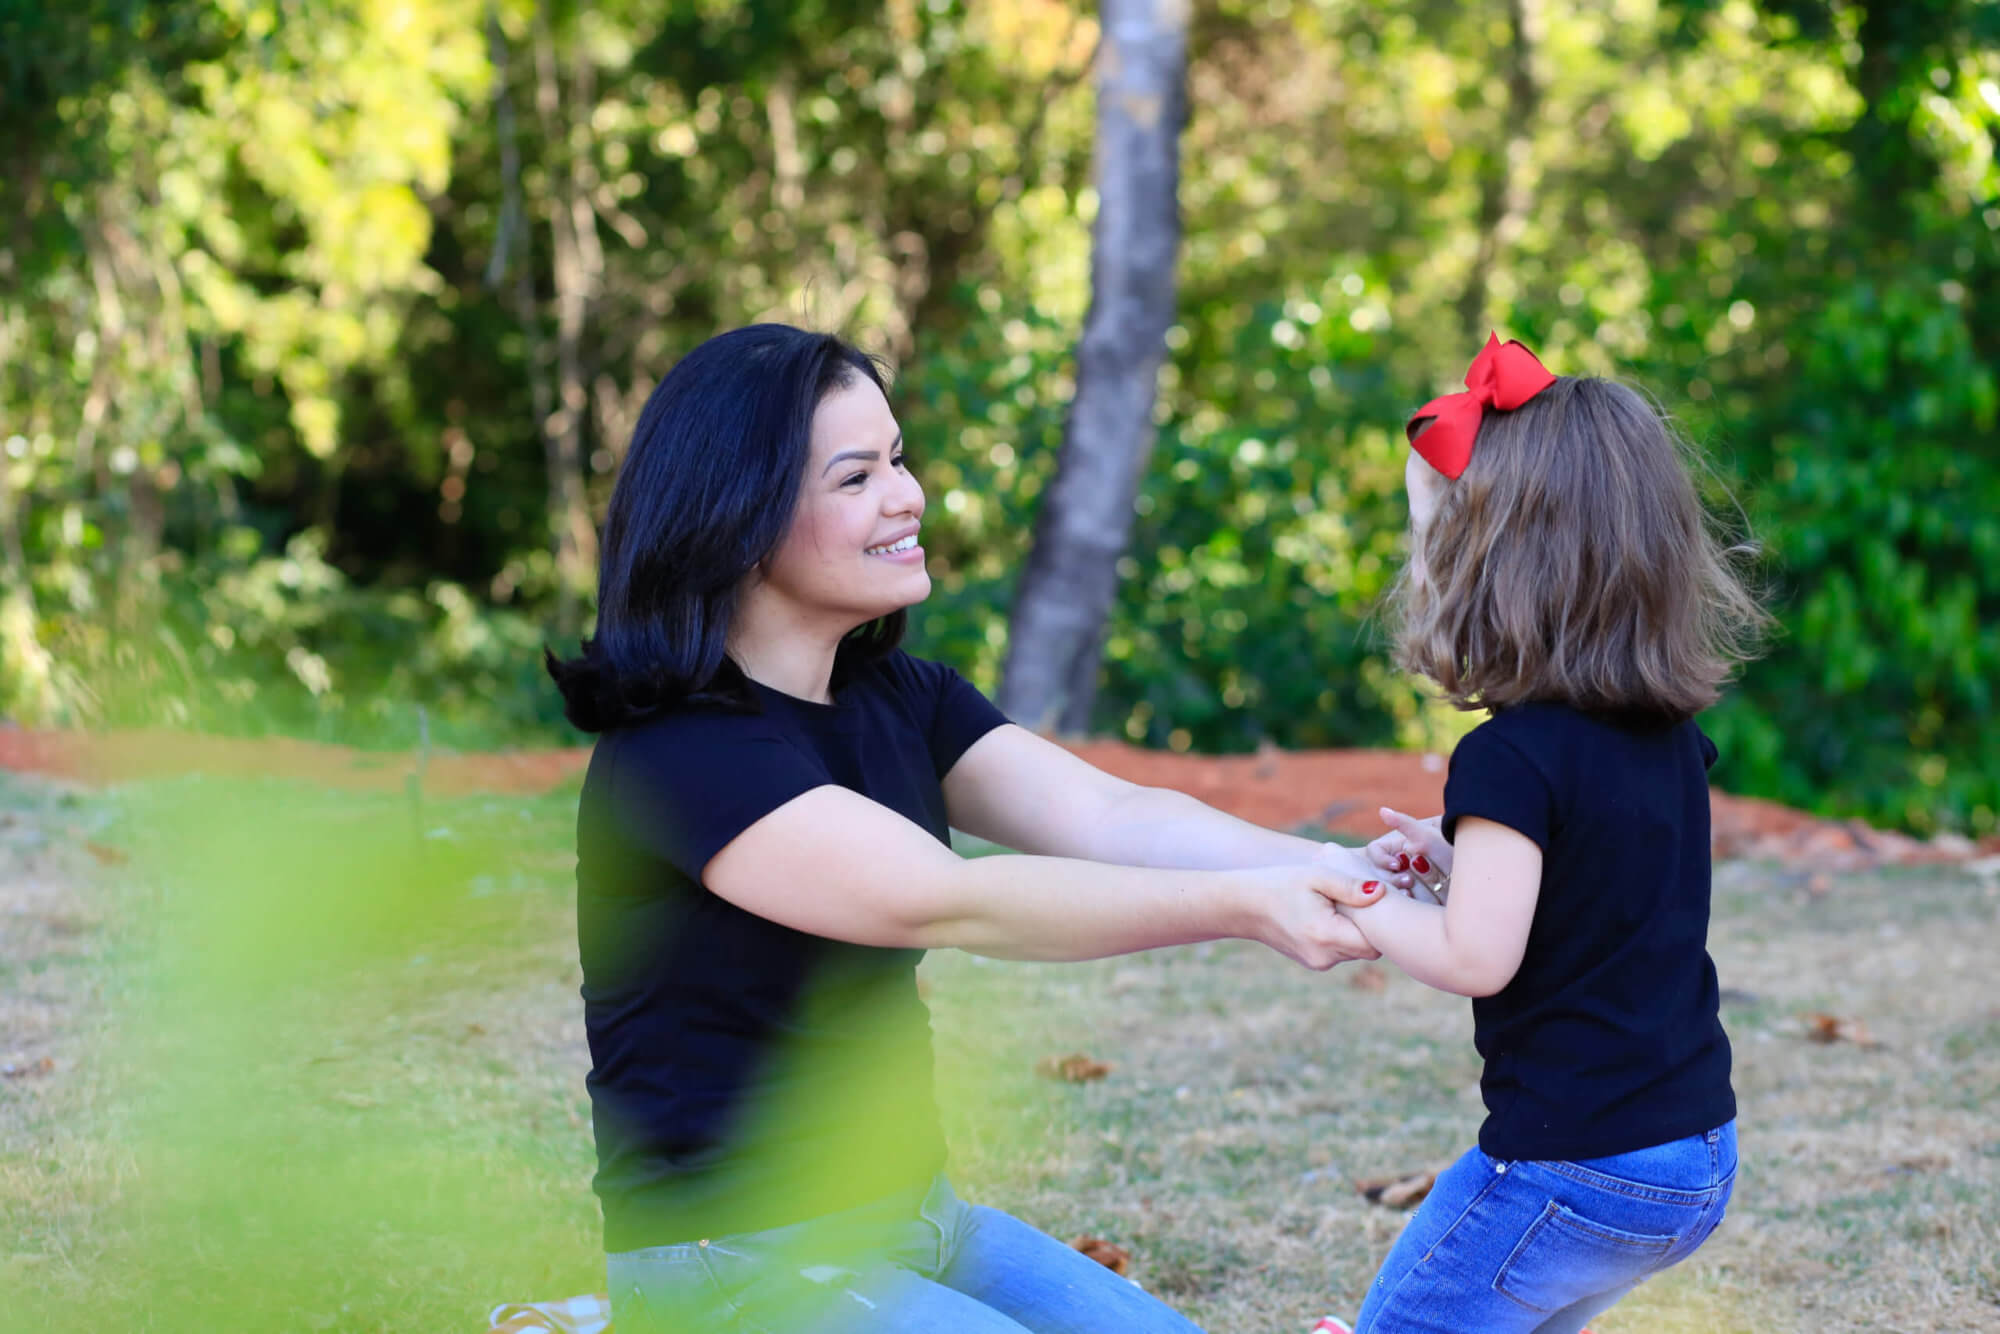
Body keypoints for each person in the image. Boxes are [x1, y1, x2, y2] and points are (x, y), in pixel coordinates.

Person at [546, 323, 1385, 1334]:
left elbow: (1111, 813)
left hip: (920, 1223)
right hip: (730, 1264)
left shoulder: (898, 695)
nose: (907, 495)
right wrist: (1243, 905)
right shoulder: (678, 753)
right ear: (738, 519)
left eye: (895, 460)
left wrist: (1347, 865)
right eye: (854, 477)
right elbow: (948, 898)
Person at [1314, 335, 1767, 1334]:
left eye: (1422, 539)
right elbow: (1604, 880)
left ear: (1494, 569)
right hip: (1690, 1154)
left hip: (1572, 1165)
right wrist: (1457, 855)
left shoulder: (1508, 757)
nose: (1411, 567)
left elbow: (1475, 953)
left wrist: (1362, 895)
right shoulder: (1665, 735)